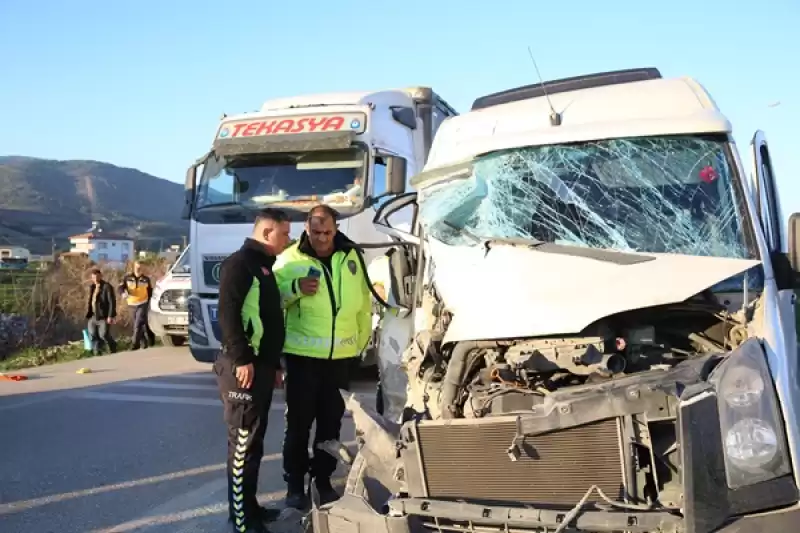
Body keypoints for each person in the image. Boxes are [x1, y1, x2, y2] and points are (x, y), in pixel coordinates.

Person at [274, 204, 373, 509]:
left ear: (336, 228)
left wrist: (360, 343)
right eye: (316, 232)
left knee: (330, 425)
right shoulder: (289, 259)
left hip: (340, 357)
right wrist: (295, 288)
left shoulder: (352, 257)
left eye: (327, 232)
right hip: (302, 357)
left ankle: (324, 480)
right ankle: (294, 485)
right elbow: (271, 302)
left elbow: (363, 303)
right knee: (299, 425)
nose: (322, 238)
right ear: (307, 228)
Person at [215, 208, 291, 533]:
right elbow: (228, 314)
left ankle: (251, 509)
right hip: (242, 368)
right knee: (242, 445)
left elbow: (268, 319)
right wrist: (242, 358)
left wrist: (273, 365)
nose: (289, 238)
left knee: (254, 445)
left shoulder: (264, 267)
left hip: (260, 366)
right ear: (266, 232)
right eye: (284, 233)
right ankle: (242, 521)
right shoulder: (240, 264)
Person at [119, 261, 156, 350]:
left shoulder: (146, 279)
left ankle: (135, 344)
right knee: (137, 324)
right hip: (131, 304)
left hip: (143, 303)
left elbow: (150, 291)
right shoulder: (127, 277)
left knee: (138, 324)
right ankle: (143, 342)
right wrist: (123, 293)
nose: (138, 269)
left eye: (140, 268)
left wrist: (150, 302)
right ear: (134, 267)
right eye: (137, 267)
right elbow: (120, 287)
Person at [85, 268, 118, 355]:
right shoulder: (92, 287)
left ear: (100, 276)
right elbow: (90, 301)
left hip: (104, 316)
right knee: (92, 334)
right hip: (93, 315)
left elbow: (112, 302)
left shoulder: (107, 287)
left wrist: (110, 316)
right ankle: (97, 352)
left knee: (103, 335)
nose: (95, 279)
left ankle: (113, 346)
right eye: (93, 278)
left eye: (97, 277)